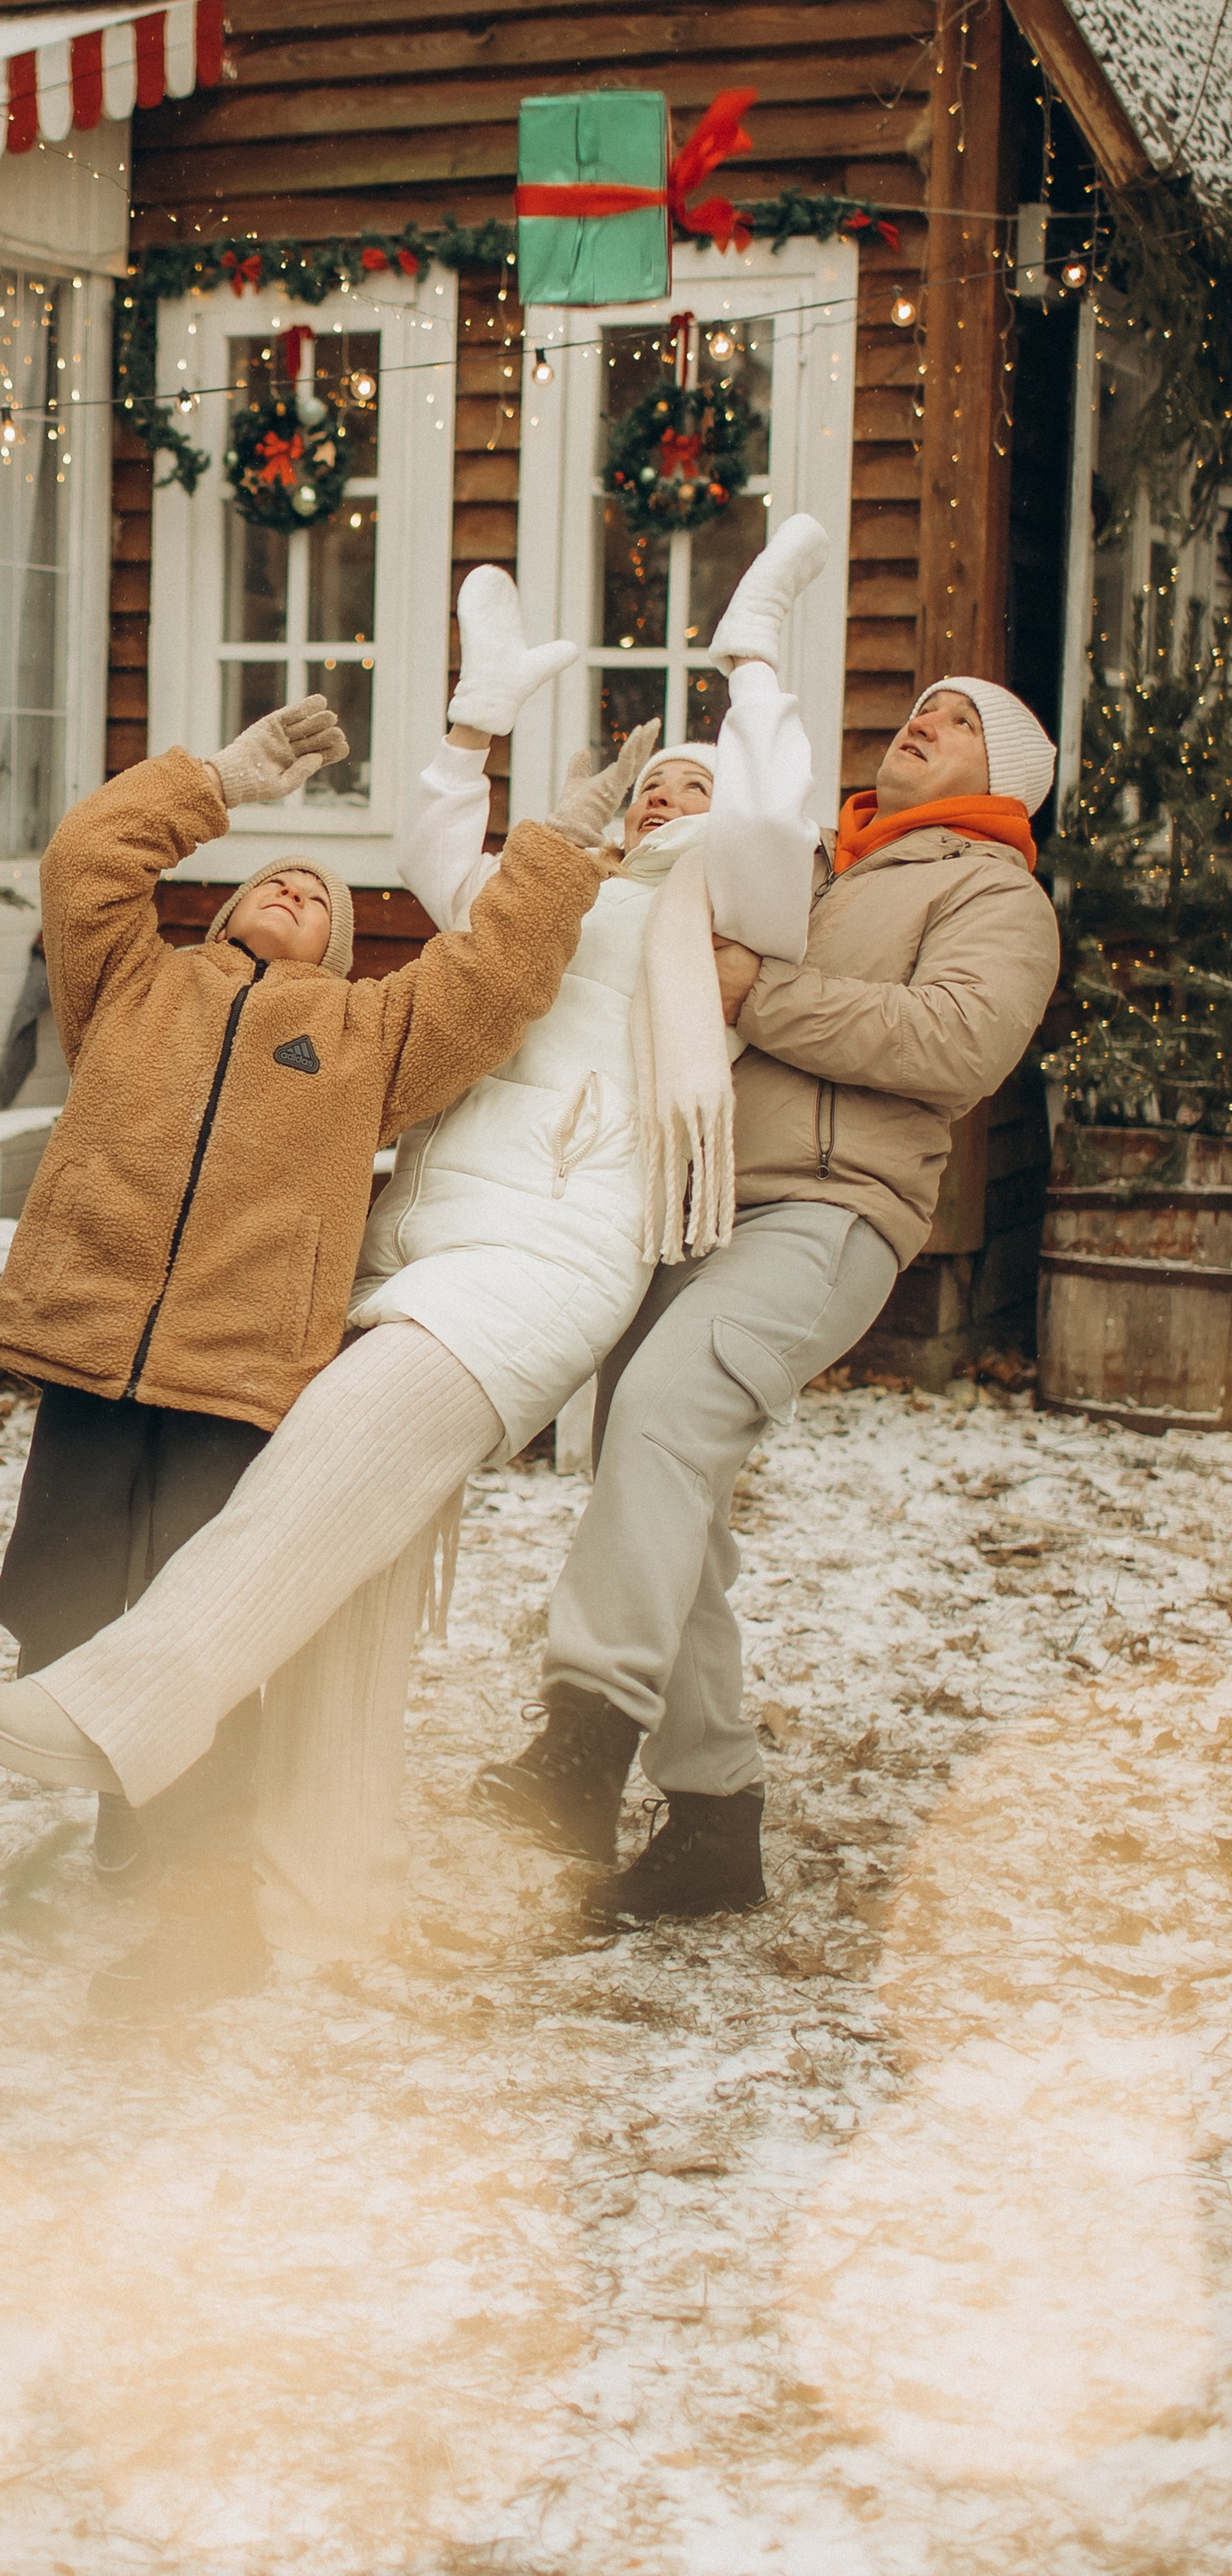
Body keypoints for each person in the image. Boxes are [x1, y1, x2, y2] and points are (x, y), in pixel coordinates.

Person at [0, 517, 830, 1967]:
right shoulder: (188, 978)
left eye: (695, 783)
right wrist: (468, 737)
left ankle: (141, 1700)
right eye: (652, 783)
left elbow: (708, 848)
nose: (670, 797)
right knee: (347, 1577)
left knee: (330, 1460)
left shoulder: (731, 906)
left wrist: (748, 667)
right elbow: (436, 862)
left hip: (545, 1245)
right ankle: (325, 1894)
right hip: (377, 1254)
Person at [0, 688, 608, 2018]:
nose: (300, 888)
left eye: (323, 893)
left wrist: (560, 847)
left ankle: (207, 1913)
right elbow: (91, 857)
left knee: (193, 1632)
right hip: (91, 1354)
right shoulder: (130, 986)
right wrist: (227, 780)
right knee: (62, 1605)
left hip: (238, 1381)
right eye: (276, 878)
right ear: (219, 908)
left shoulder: (372, 1035)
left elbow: (493, 976)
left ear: (342, 948)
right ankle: (133, 1834)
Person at [474, 659, 1062, 1923]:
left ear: (1004, 783)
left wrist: (768, 991)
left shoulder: (993, 894)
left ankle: (584, 1743)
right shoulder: (811, 861)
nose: (927, 722)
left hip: (832, 1205)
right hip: (692, 1196)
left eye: (962, 724)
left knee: (671, 1409)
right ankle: (710, 1824)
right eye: (926, 707)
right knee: (660, 1479)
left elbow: (955, 1047)